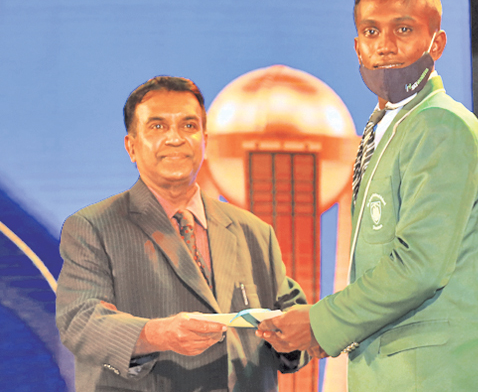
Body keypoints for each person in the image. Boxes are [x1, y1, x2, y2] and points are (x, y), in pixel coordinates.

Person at [256, 0, 478, 392]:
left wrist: (322, 323)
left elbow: (419, 265)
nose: (385, 46)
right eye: (371, 31)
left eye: (403, 29)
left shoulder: (441, 126)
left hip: (441, 374)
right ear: (357, 46)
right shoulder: (386, 128)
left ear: (437, 43)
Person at [56, 76, 308, 392]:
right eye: (158, 127)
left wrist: (291, 337)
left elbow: (297, 329)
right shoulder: (92, 227)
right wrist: (157, 334)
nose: (175, 138)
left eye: (188, 126)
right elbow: (81, 322)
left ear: (205, 140)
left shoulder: (255, 232)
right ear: (131, 146)